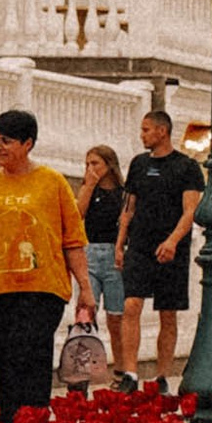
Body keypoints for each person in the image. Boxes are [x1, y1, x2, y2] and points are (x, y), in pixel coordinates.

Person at [0, 108, 94, 418]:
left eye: (7, 141)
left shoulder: (53, 183)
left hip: (43, 289)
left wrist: (86, 289)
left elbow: (73, 241)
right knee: (4, 362)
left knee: (32, 357)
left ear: (28, 143)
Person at [118, 106, 206, 384]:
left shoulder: (187, 167)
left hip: (171, 250)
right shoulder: (139, 164)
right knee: (131, 305)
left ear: (162, 131)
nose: (142, 135)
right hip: (140, 246)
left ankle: (162, 376)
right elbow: (128, 208)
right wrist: (119, 244)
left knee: (168, 313)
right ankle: (130, 372)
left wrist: (172, 241)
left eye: (146, 130)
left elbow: (190, 210)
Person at [79, 144, 130, 377]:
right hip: (90, 253)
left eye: (95, 163)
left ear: (109, 165)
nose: (90, 168)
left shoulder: (123, 193)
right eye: (88, 163)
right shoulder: (89, 189)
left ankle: (120, 369)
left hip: (113, 255)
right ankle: (81, 371)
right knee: (85, 312)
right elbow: (78, 213)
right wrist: (89, 185)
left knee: (115, 317)